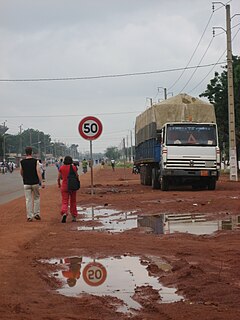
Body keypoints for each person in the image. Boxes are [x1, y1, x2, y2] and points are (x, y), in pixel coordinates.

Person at [20, 146, 45, 222]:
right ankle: (36, 213)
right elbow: (38, 172)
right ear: (32, 152)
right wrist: (42, 181)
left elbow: (21, 172)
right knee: (36, 198)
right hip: (35, 183)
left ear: (25, 153)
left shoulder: (22, 162)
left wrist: (24, 177)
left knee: (28, 199)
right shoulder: (35, 161)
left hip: (26, 183)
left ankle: (29, 216)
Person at [57, 156, 79, 223]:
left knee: (65, 201)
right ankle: (74, 216)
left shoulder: (62, 168)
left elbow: (59, 177)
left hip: (64, 186)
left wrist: (59, 184)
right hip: (72, 186)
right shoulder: (74, 167)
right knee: (73, 201)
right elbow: (77, 176)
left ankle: (64, 212)